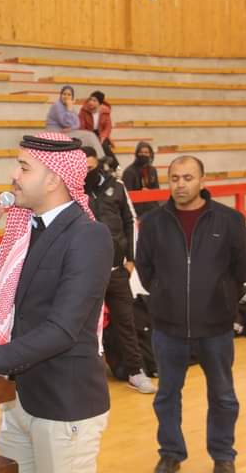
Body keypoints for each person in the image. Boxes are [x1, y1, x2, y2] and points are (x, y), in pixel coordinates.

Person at [0, 132, 114, 473]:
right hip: (19, 399)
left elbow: (62, 330)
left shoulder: (87, 236)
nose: (14, 175)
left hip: (64, 405)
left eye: (24, 167)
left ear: (53, 179)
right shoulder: (26, 231)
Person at [136, 156, 246, 473]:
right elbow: (145, 269)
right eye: (174, 178)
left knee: (223, 396)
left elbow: (241, 269)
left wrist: (221, 298)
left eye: (188, 178)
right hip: (167, 328)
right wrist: (164, 294)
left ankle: (223, 456)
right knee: (166, 396)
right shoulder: (153, 223)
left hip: (216, 328)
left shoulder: (229, 220)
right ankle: (171, 453)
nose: (180, 184)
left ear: (202, 180)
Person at [83, 147, 156, 394]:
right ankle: (88, 376)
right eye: (83, 168)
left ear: (98, 165)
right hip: (85, 273)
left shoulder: (117, 186)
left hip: (116, 270)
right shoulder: (71, 191)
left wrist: (131, 260)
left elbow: (130, 221)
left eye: (91, 167)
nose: (87, 172)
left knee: (126, 322)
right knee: (85, 326)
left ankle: (136, 371)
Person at [45, 85, 105, 160]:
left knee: (90, 136)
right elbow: (65, 123)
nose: (66, 96)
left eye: (69, 95)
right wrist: (69, 110)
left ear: (72, 97)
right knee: (89, 136)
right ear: (61, 95)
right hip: (55, 134)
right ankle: (100, 158)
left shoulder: (69, 106)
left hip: (66, 132)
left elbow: (77, 124)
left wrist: (71, 128)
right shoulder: (57, 106)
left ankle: (100, 158)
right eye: (64, 94)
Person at [79, 91, 118, 170]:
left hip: (100, 133)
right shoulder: (83, 111)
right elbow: (81, 127)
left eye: (94, 101)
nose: (91, 102)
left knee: (104, 145)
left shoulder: (105, 112)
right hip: (88, 133)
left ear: (99, 104)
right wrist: (90, 137)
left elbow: (108, 127)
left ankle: (115, 167)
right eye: (90, 99)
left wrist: (103, 136)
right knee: (94, 148)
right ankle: (102, 167)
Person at [123, 141, 160, 217]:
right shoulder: (129, 172)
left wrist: (149, 192)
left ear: (150, 154)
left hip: (152, 207)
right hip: (136, 209)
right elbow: (126, 195)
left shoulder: (152, 170)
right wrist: (140, 193)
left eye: (146, 153)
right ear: (137, 154)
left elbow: (157, 189)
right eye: (141, 152)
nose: (143, 155)